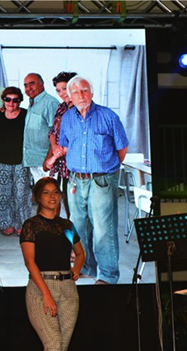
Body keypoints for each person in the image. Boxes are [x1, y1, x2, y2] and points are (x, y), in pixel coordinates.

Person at [20, 177, 85, 351]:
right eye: (46, 193)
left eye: (56, 192)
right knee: (53, 344)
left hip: (67, 288)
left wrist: (76, 269)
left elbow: (80, 253)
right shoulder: (31, 225)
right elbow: (30, 263)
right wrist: (46, 293)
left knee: (62, 349)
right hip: (41, 288)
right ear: (37, 197)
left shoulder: (67, 225)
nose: (52, 197)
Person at [58, 76, 129, 285]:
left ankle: (108, 275)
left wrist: (106, 169)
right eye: (76, 92)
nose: (81, 95)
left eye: (84, 90)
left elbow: (122, 148)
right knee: (78, 226)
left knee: (103, 229)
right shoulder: (67, 118)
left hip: (101, 181)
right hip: (75, 181)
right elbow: (66, 146)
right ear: (69, 97)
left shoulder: (108, 116)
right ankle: (86, 267)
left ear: (92, 93)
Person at [0, 86, 31, 236]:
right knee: (2, 194)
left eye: (15, 100)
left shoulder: (26, 115)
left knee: (21, 194)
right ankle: (5, 223)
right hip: (1, 160)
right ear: (3, 100)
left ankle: (22, 224)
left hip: (21, 161)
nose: (11, 103)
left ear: (20, 101)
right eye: (8, 99)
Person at [43, 71, 77, 217]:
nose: (62, 93)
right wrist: (55, 147)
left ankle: (76, 230)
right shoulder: (62, 107)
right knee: (66, 202)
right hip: (62, 164)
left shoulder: (80, 109)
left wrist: (54, 156)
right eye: (58, 90)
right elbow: (53, 131)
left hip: (75, 164)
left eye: (64, 88)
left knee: (76, 207)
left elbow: (76, 140)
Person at [22, 73, 59, 185]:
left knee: (50, 192)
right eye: (25, 85)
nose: (28, 88)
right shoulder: (32, 103)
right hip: (33, 161)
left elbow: (56, 133)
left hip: (46, 162)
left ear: (42, 84)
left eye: (32, 84)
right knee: (40, 193)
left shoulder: (50, 103)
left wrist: (49, 159)